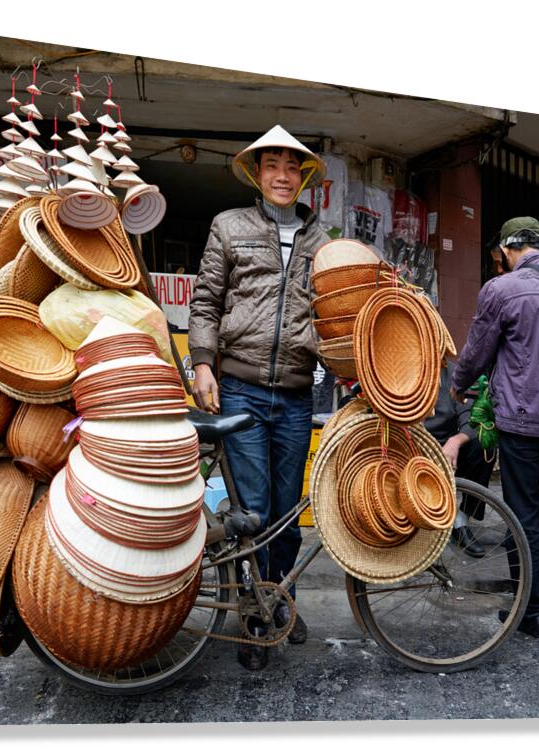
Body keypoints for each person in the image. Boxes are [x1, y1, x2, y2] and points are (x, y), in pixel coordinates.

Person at [188, 125, 329, 669]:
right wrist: (204, 363)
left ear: (304, 177)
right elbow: (206, 300)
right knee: (255, 510)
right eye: (273, 165)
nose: (282, 176)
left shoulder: (322, 243)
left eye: (292, 167)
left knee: (288, 513)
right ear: (257, 173)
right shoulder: (229, 226)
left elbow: (334, 311)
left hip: (295, 392)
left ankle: (279, 596)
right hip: (241, 387)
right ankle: (253, 612)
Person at [452, 217, 539, 637]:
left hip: (522, 424)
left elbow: (477, 351)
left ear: (508, 251)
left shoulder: (502, 289)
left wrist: (459, 385)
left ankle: (532, 612)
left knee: (522, 516)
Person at [425, 362, 496, 558]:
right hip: (409, 444)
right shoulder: (397, 369)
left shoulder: (450, 371)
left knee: (484, 443)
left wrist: (456, 441)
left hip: (446, 447)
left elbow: (471, 416)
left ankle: (461, 520)